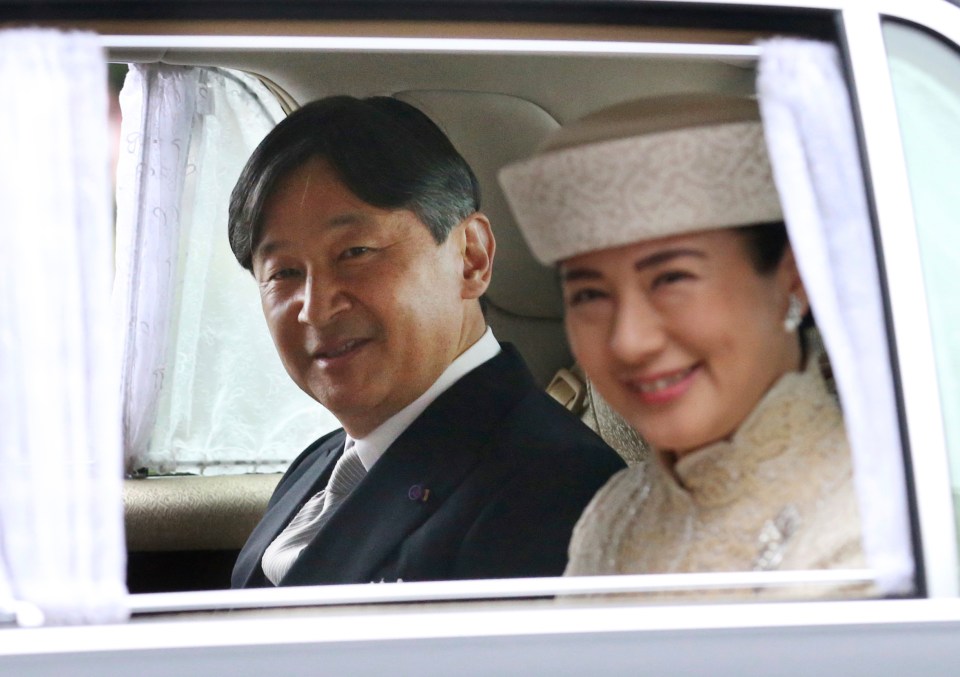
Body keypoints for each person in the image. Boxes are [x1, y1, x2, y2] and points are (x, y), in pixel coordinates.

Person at [228, 95, 625, 588]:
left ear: (471, 258)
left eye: (355, 252)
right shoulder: (317, 464)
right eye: (284, 272)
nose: (315, 306)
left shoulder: (559, 494)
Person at [499, 94, 865, 582]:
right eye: (589, 294)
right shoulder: (614, 514)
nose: (629, 341)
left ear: (793, 279)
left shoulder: (877, 535)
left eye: (672, 280)